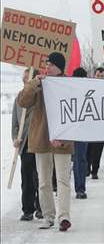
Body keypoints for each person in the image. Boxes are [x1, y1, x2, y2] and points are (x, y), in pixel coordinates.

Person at [17, 52, 74, 231]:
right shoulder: (39, 83)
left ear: (59, 67)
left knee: (63, 180)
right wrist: (34, 83)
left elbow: (75, 116)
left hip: (62, 140)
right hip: (41, 138)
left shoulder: (70, 85)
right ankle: (48, 216)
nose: (46, 67)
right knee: (43, 181)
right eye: (46, 64)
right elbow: (23, 101)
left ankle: (64, 217)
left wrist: (64, 139)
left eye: (50, 64)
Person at [12, 68, 43, 221]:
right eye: (23, 78)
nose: (24, 81)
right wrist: (15, 138)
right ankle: (28, 209)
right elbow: (15, 123)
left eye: (27, 79)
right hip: (25, 144)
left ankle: (41, 207)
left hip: (40, 141)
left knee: (40, 177)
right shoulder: (19, 97)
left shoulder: (40, 97)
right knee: (27, 177)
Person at [71, 67, 89, 199]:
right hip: (67, 130)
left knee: (79, 160)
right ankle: (60, 185)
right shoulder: (67, 90)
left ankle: (80, 188)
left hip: (82, 131)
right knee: (66, 161)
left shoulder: (88, 91)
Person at [86, 67, 104, 179]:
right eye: (98, 75)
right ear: (94, 75)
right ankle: (87, 167)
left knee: (98, 149)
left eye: (102, 76)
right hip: (89, 124)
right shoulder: (89, 87)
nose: (100, 78)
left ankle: (95, 171)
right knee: (88, 148)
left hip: (101, 125)